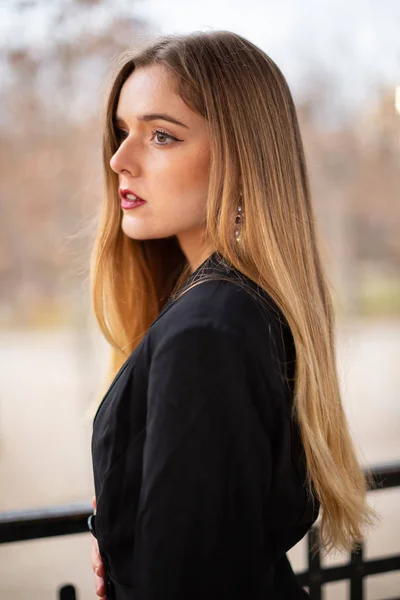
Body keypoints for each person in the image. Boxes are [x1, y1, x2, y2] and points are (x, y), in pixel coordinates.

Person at [87, 30, 378, 600]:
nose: (120, 160)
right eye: (123, 133)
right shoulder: (237, 306)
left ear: (241, 159)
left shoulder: (207, 330)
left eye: (161, 136)